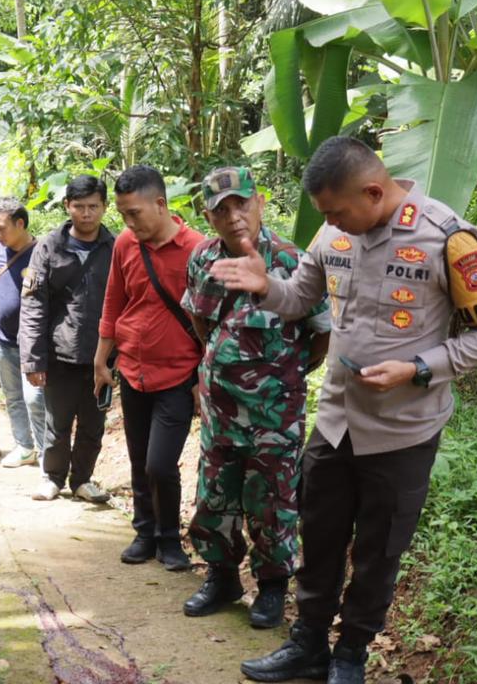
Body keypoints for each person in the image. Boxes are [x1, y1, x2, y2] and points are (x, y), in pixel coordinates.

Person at [211, 137, 477, 684]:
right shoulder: (333, 232)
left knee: (377, 553)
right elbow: (299, 299)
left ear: (373, 191)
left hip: (403, 432)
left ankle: (350, 654)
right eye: (325, 215)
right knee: (319, 537)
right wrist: (264, 286)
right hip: (335, 423)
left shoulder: (450, 238)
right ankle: (307, 646)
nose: (330, 223)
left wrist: (417, 367)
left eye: (337, 212)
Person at [179, 167, 331, 629]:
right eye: (221, 209)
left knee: (272, 503)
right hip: (221, 410)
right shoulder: (204, 259)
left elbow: (320, 335)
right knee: (216, 496)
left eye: (241, 203)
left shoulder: (291, 260)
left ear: (259, 202)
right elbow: (200, 322)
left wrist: (285, 379)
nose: (234, 216)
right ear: (208, 215)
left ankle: (270, 589)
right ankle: (222, 577)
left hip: (274, 414)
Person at [94, 165, 204, 571]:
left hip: (178, 375)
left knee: (161, 463)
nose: (128, 222)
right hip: (133, 371)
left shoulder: (198, 249)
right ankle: (145, 532)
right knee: (139, 458)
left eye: (134, 213)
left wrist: (203, 377)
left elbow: (213, 321)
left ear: (160, 204)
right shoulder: (126, 243)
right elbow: (114, 300)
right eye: (122, 215)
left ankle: (170, 538)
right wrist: (101, 358)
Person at [19, 175, 115, 503]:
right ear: (67, 206)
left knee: (93, 424)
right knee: (57, 422)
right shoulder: (48, 247)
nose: (86, 214)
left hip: (101, 356)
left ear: (104, 207)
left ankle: (83, 480)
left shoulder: (115, 248)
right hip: (59, 353)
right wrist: (33, 359)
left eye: (93, 207)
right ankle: (52, 477)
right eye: (79, 207)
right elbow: (33, 304)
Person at [0, 197, 47, 469]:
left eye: (1, 228)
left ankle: (45, 453)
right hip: (2, 338)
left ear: (20, 223)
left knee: (36, 399)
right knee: (13, 396)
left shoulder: (42, 252)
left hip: (33, 343)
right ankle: (24, 446)